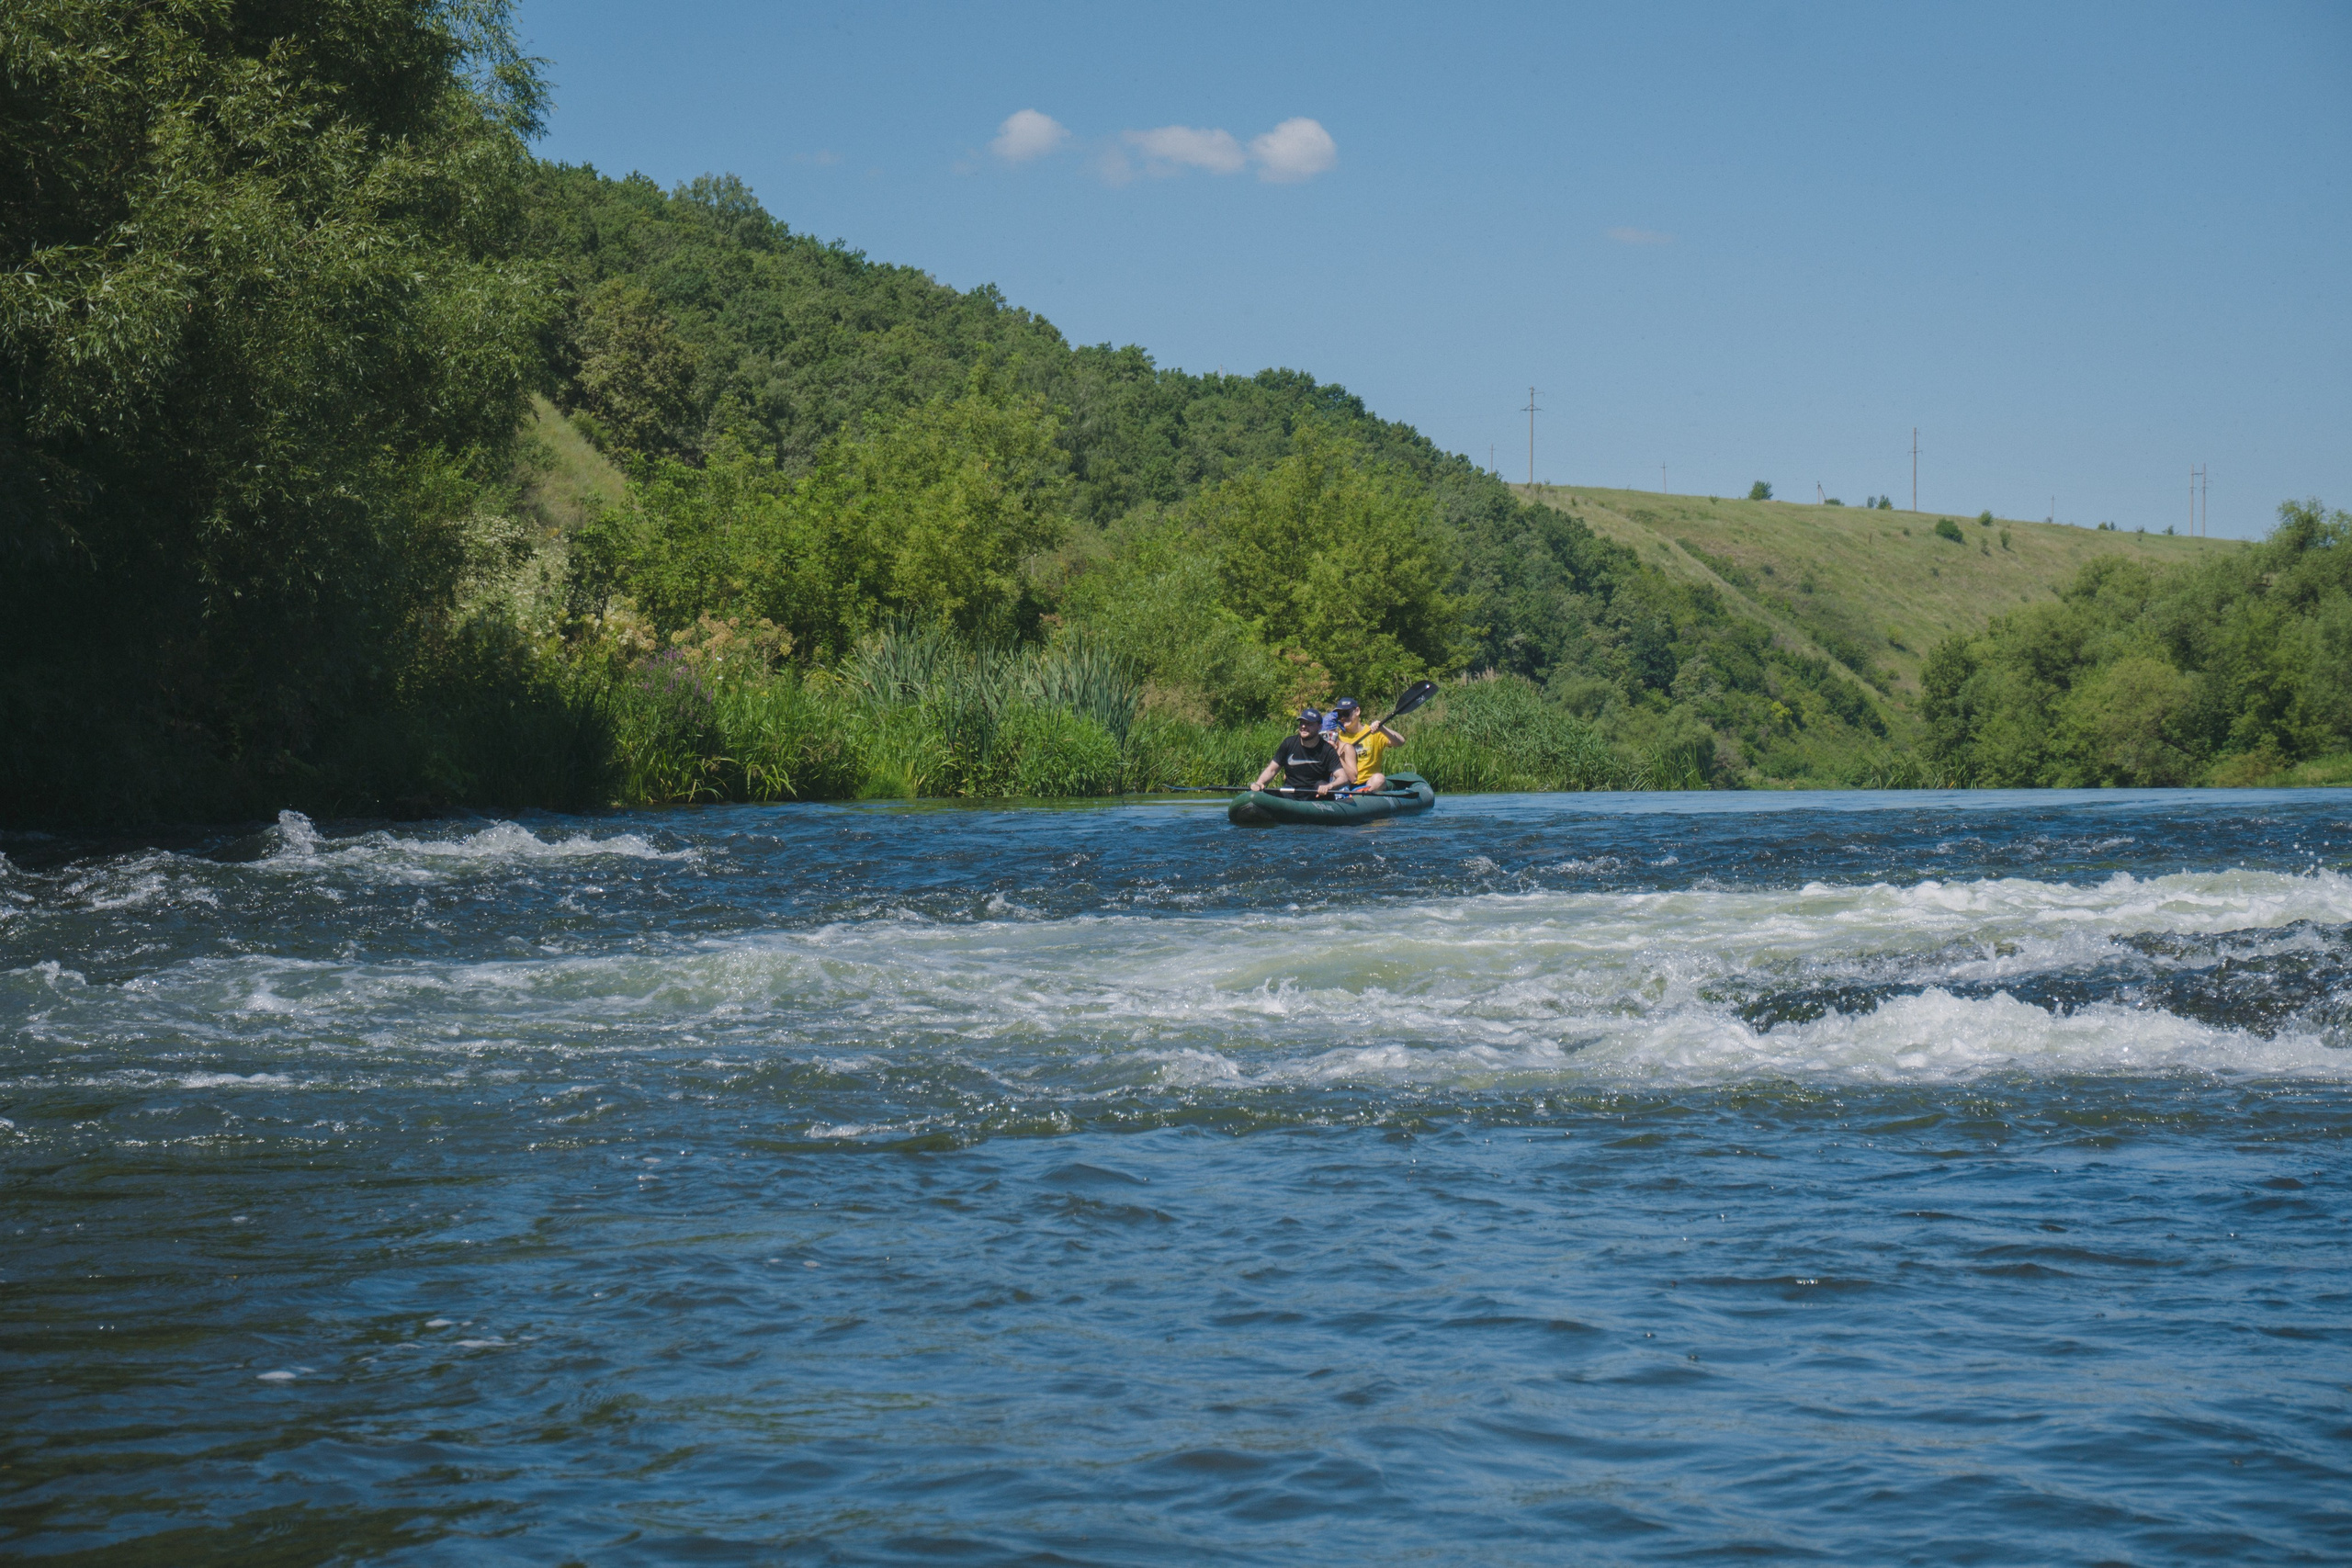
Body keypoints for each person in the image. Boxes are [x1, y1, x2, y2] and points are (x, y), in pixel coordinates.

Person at [1252, 708, 1353, 797]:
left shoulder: (1327, 750)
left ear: (1319, 727)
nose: (1304, 726)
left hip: (1317, 797)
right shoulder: (1288, 743)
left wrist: (1329, 786)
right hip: (1291, 794)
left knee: (1320, 783)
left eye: (1309, 724)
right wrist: (1259, 783)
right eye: (1302, 723)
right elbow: (1272, 770)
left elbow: (1343, 777)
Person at [1330, 697, 1404, 792]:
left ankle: (1364, 795)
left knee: (1379, 779)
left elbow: (1400, 742)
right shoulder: (1337, 737)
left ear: (1357, 711)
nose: (1343, 718)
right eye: (1339, 715)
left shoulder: (1374, 732)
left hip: (1369, 783)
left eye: (1346, 713)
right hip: (1346, 783)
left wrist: (1383, 729)